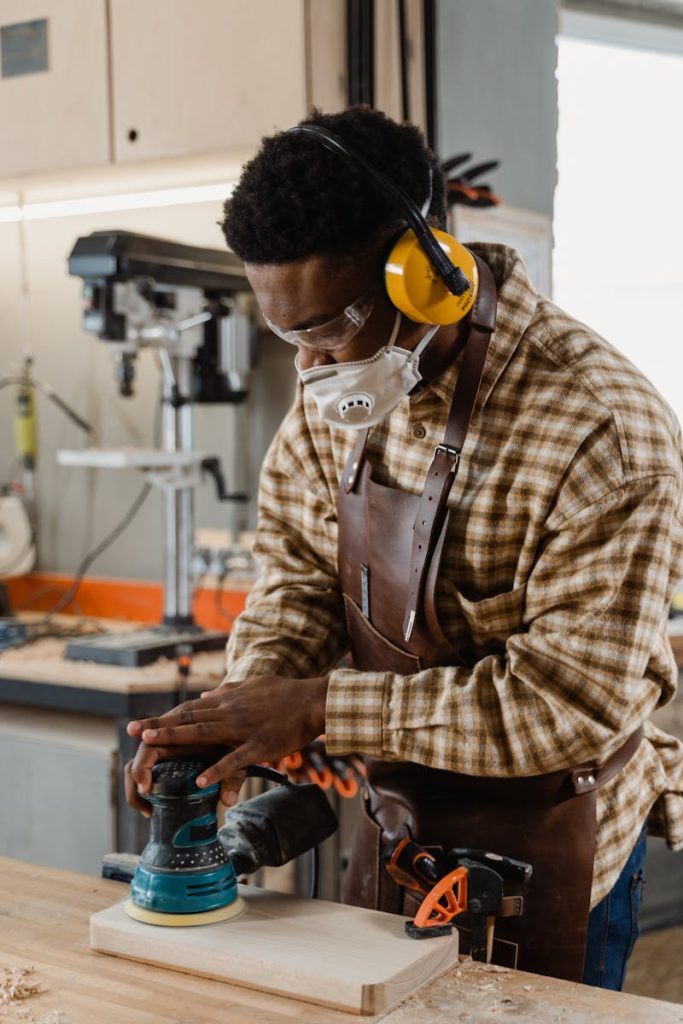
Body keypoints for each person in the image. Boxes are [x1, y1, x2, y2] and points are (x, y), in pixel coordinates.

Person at [125, 106, 683, 988]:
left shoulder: (601, 428)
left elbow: (563, 706)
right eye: (287, 334)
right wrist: (230, 720)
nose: (308, 370)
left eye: (324, 330)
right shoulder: (335, 398)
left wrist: (316, 709)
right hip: (397, 826)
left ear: (426, 278)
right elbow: (300, 581)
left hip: (552, 841)